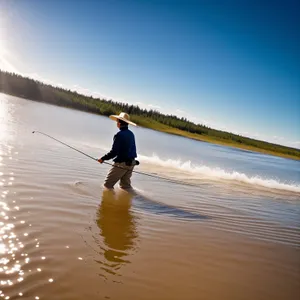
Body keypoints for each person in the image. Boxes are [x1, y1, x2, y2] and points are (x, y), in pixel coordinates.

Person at [98, 112, 138, 190]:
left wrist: (102, 159)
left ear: (119, 123)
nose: (116, 123)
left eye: (117, 121)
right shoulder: (131, 134)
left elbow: (114, 152)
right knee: (125, 186)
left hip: (121, 164)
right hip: (131, 163)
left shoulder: (119, 135)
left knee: (107, 185)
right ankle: (129, 200)